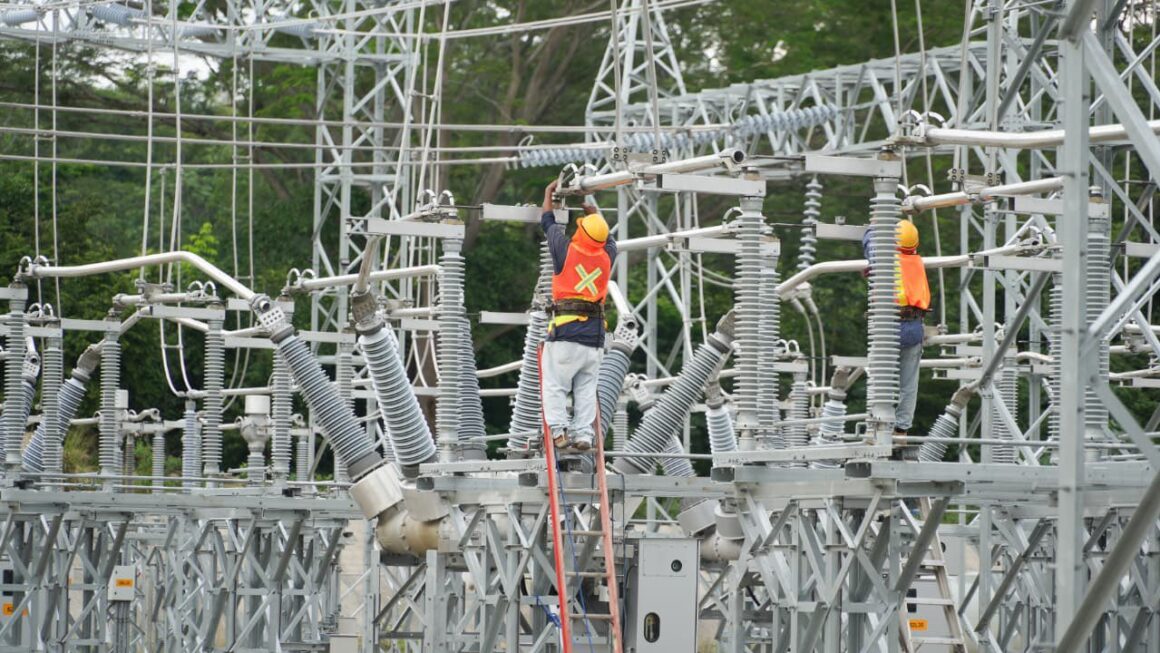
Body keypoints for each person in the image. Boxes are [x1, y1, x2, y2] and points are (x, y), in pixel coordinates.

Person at [539, 180, 618, 451]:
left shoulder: (566, 250)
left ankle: (559, 432)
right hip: (595, 336)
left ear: (581, 232)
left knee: (555, 385)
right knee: (585, 389)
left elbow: (548, 222)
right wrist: (593, 211)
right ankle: (584, 435)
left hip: (566, 331)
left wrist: (549, 194)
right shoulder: (607, 256)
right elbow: (610, 239)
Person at [863, 219, 930, 436]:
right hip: (914, 325)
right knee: (908, 382)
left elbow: (869, 242)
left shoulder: (886, 259)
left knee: (878, 376)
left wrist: (874, 224)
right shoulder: (916, 262)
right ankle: (901, 429)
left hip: (889, 324)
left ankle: (877, 423)